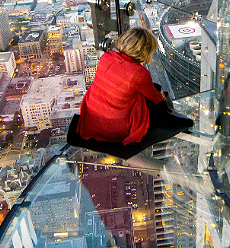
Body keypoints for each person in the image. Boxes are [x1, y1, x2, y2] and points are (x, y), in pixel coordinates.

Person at [68, 27, 193, 159]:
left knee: (135, 90)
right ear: (145, 51)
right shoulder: (140, 74)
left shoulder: (107, 56)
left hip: (91, 119)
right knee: (150, 96)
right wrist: (162, 97)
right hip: (113, 128)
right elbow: (156, 99)